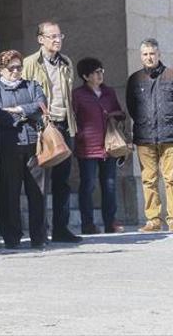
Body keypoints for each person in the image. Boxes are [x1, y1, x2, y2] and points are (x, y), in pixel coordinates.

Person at [22, 21, 81, 243]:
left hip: (64, 125)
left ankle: (61, 228)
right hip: (42, 128)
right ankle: (39, 231)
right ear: (40, 39)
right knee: (40, 182)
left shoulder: (66, 63)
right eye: (52, 36)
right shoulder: (30, 63)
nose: (57, 40)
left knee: (62, 181)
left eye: (59, 36)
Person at [0, 50, 48, 249]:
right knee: (8, 194)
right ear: (0, 69)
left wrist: (18, 110)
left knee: (38, 193)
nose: (16, 71)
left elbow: (41, 106)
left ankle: (39, 237)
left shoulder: (31, 85)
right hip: (7, 147)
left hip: (34, 146)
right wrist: (25, 114)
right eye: (11, 68)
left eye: (19, 67)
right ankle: (12, 237)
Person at [126, 38, 173, 233]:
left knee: (171, 178)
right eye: (145, 54)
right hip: (145, 136)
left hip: (170, 136)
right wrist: (144, 124)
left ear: (159, 54)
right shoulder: (135, 79)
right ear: (141, 56)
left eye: (152, 53)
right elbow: (132, 107)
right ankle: (153, 220)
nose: (149, 57)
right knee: (149, 179)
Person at [72, 57, 125, 234]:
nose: (100, 74)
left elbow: (118, 111)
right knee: (88, 185)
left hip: (109, 146)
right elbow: (73, 118)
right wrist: (80, 135)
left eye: (101, 71)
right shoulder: (78, 94)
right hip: (87, 147)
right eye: (96, 72)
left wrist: (116, 116)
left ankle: (111, 222)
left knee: (109, 185)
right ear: (86, 76)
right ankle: (88, 224)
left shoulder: (109, 92)